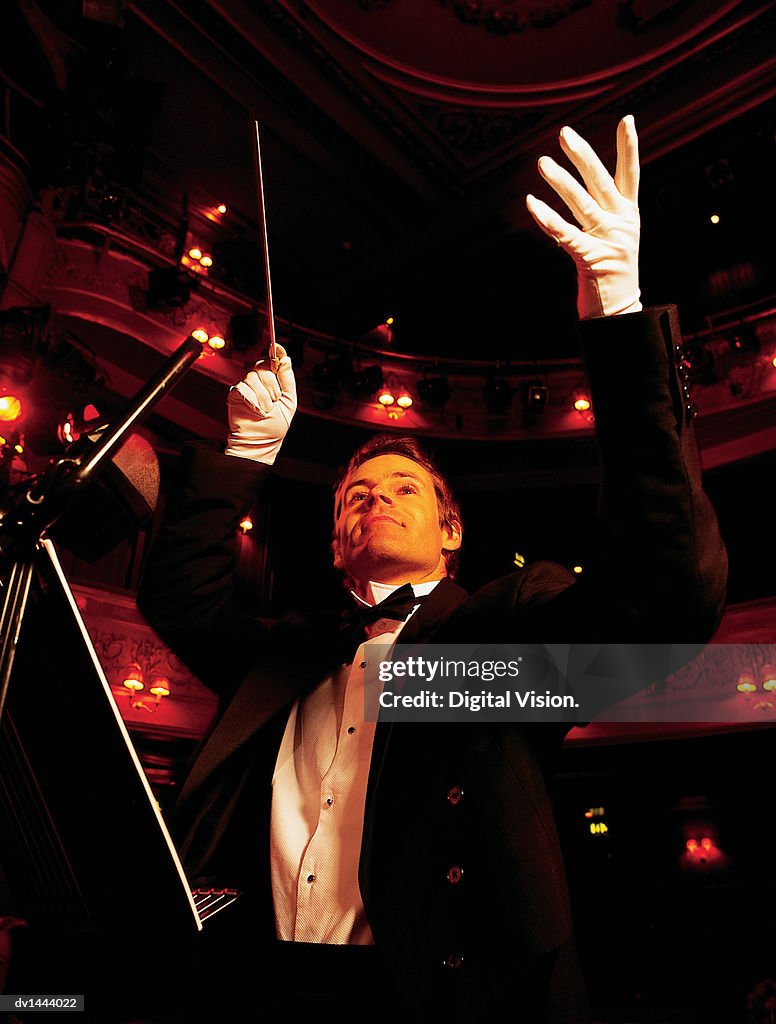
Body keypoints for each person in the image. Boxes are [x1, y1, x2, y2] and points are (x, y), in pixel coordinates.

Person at [137, 116, 727, 1023]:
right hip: (257, 989)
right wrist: (248, 451)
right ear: (335, 544)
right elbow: (180, 597)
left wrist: (618, 316)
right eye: (353, 496)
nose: (374, 499)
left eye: (402, 487)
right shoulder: (290, 652)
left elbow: (665, 597)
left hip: (438, 1002)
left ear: (451, 531)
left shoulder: (492, 638)